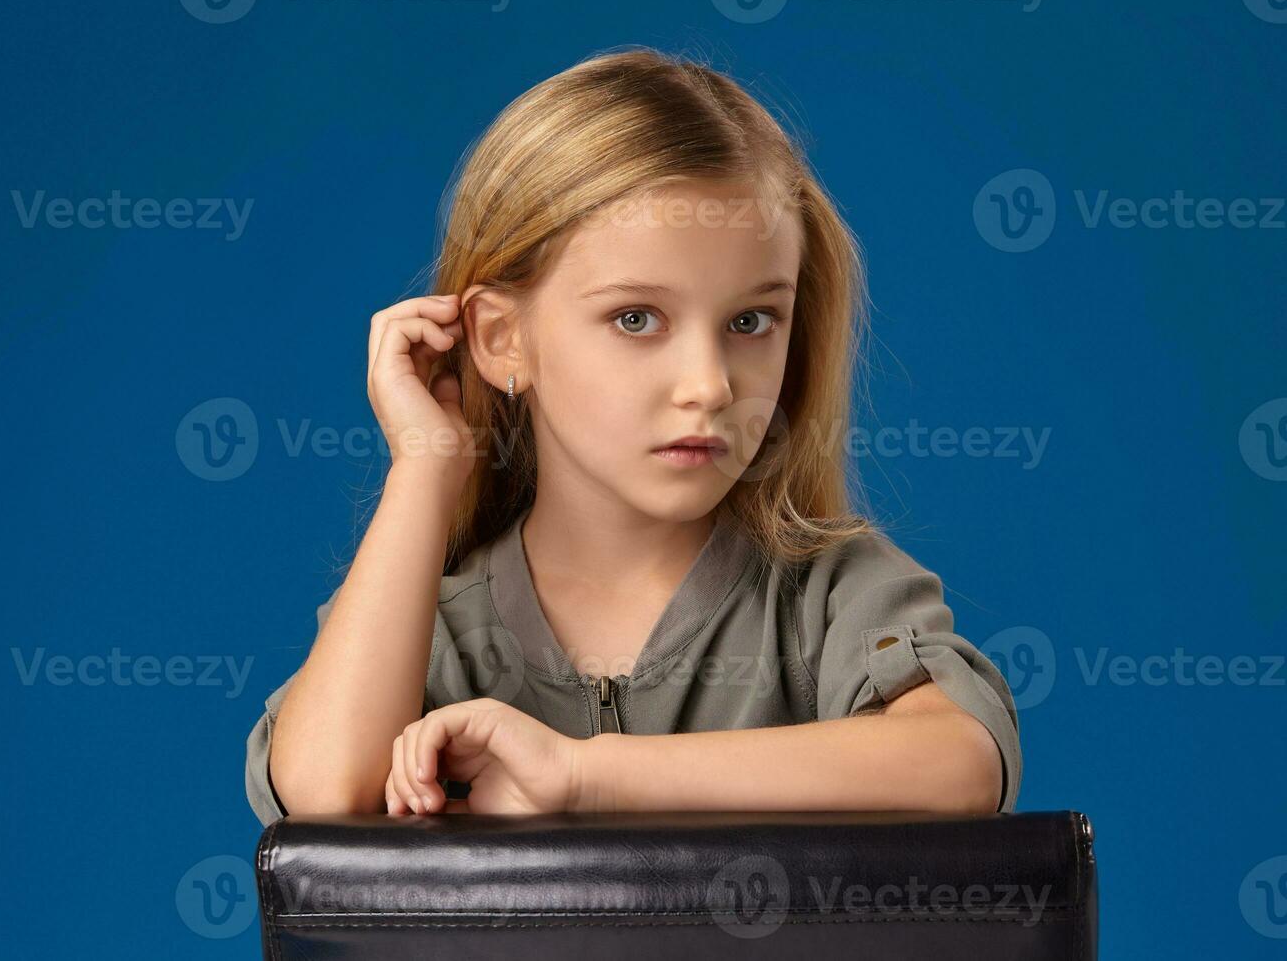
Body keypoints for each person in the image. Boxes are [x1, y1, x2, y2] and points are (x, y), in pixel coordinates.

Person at [245, 46, 1021, 827]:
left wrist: (588, 775)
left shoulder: (828, 597)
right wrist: (426, 466)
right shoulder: (425, 624)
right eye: (636, 319)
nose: (710, 385)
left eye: (751, 321)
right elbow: (326, 794)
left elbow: (960, 763)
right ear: (502, 338)